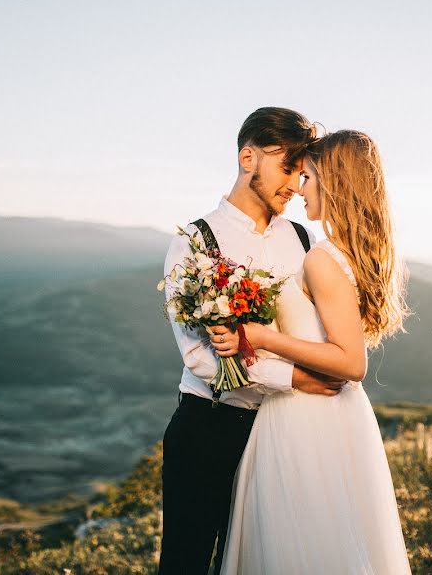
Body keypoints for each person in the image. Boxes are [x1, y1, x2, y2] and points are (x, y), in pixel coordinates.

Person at [211, 130, 413, 574]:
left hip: (305, 417)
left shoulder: (323, 258)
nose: (300, 189)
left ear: (333, 183)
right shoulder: (345, 255)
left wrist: (262, 337)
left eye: (308, 178)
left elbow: (351, 363)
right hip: (337, 417)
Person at [158, 107, 348, 575]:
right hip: (209, 426)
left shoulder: (302, 240)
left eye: (301, 172)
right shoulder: (195, 242)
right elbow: (200, 357)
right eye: (288, 167)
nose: (294, 183)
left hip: (281, 431)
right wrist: (297, 378)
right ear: (248, 158)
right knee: (186, 560)